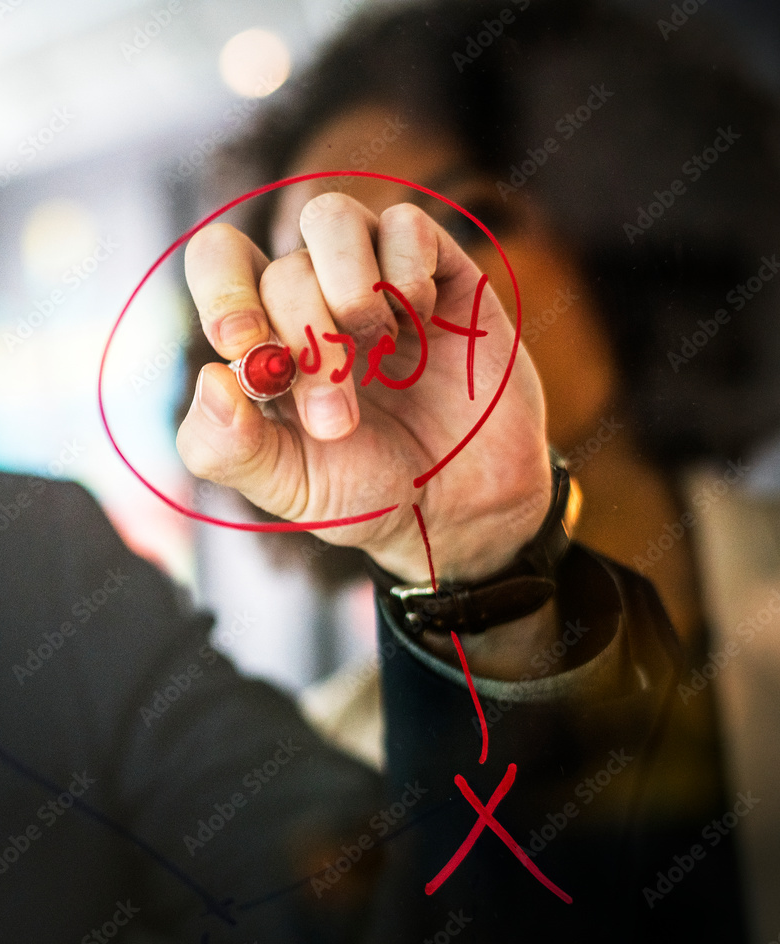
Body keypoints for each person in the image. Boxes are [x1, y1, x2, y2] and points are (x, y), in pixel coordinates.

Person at [179, 0, 780, 938]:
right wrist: (475, 561)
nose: (388, 301)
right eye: (325, 274)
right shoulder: (342, 787)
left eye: (469, 215)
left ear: (622, 237)